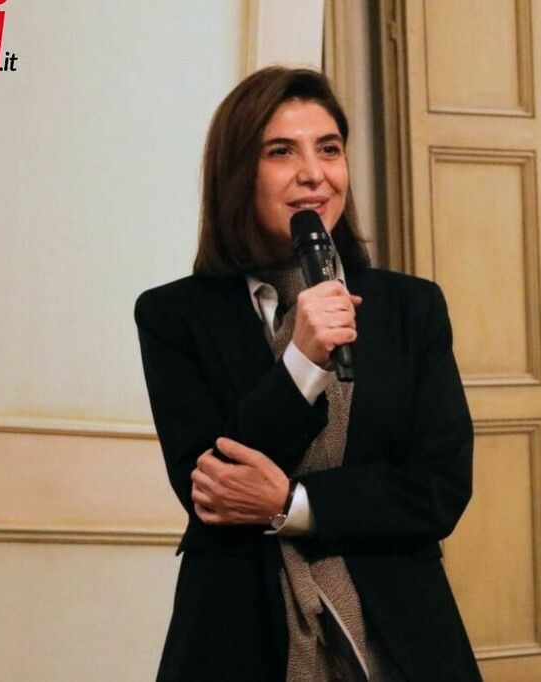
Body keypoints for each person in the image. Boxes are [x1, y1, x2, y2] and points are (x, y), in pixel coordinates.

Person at [135, 66, 482, 682]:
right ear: (237, 174)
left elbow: (437, 489)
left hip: (399, 632)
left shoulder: (411, 307)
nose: (313, 173)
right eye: (281, 152)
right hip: (238, 631)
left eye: (329, 149)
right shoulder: (173, 315)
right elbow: (211, 486)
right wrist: (300, 360)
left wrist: (291, 505)